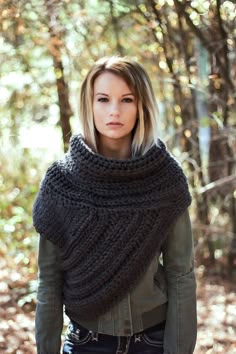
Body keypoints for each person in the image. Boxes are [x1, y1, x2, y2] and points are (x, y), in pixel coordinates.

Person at [33, 56, 197, 354]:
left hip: (152, 342)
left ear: (141, 106)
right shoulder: (62, 182)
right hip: (86, 343)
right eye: (103, 99)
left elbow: (181, 274)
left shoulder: (165, 179)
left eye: (127, 100)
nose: (114, 111)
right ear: (89, 104)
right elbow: (49, 280)